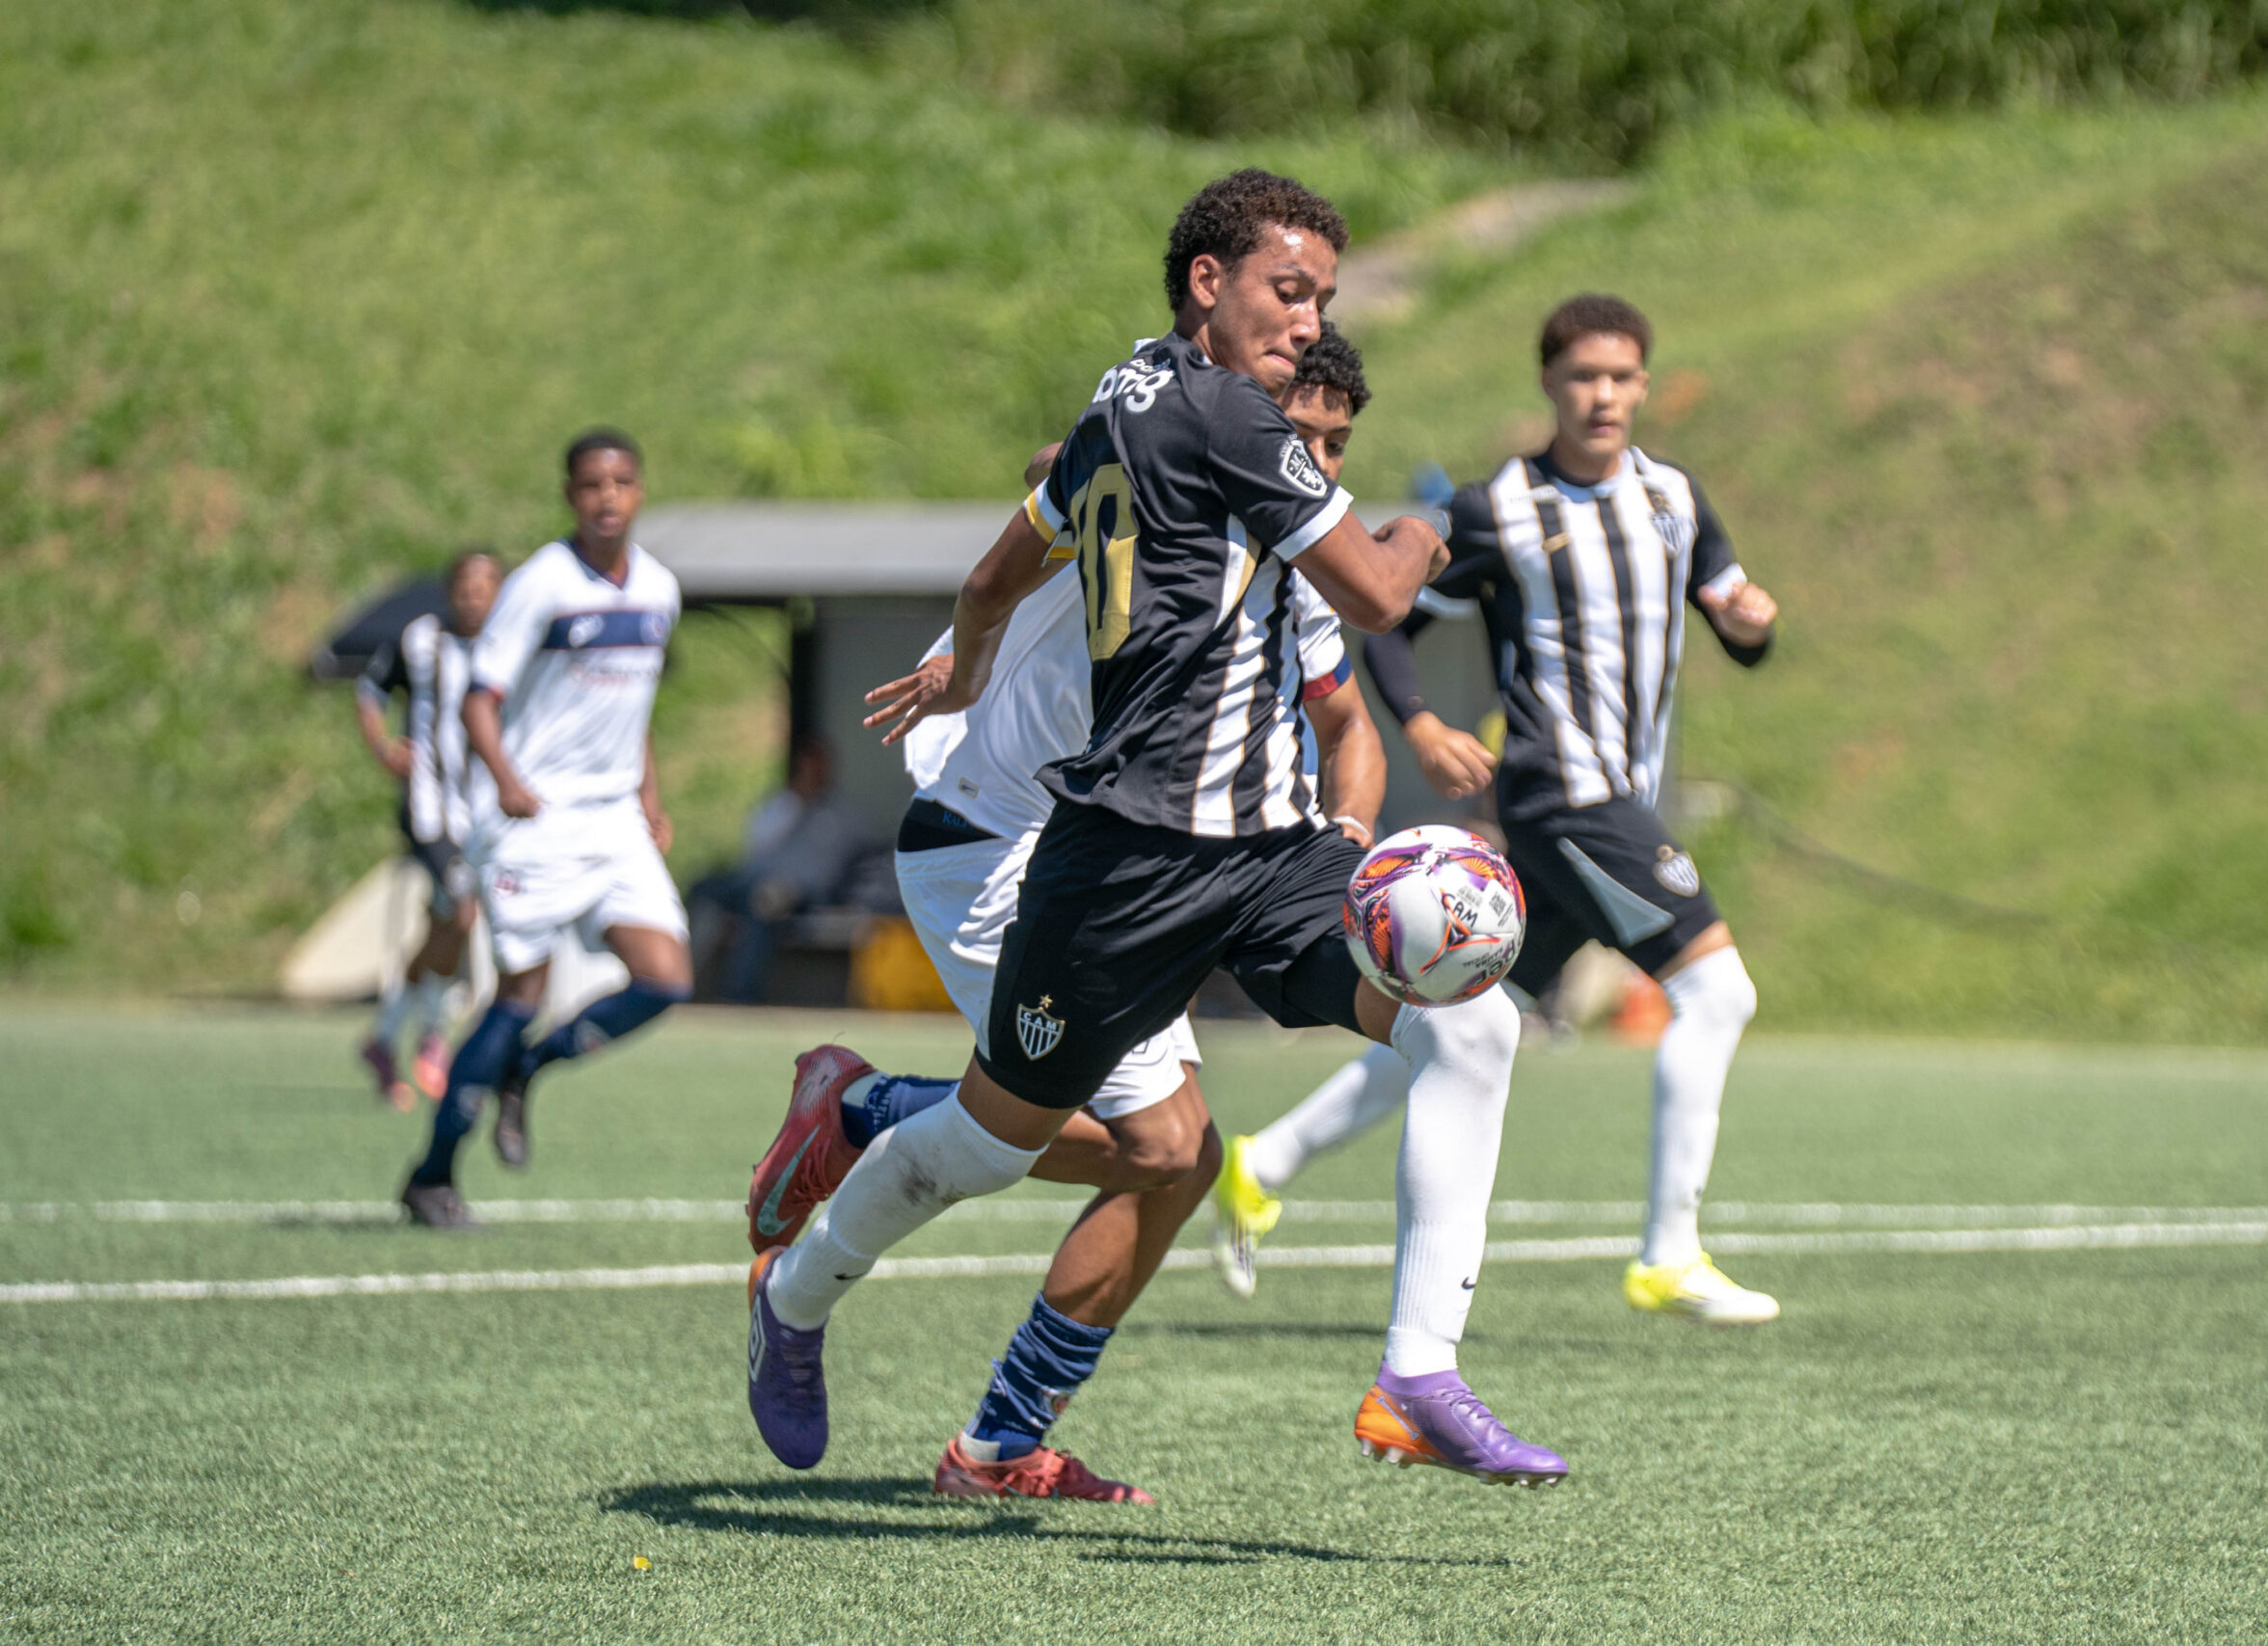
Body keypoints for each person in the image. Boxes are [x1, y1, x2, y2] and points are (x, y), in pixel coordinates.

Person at [742, 170, 1567, 1488]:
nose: (1307, 328)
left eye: (1324, 305)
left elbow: (1007, 560)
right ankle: (803, 1272)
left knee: (1464, 1021)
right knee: (1025, 1144)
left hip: (1249, 856)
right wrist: (1424, 529)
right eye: (1288, 295)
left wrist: (966, 646)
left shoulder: (1139, 404)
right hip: (1064, 850)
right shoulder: (1233, 429)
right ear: (1209, 285)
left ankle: (1413, 1373)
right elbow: (1371, 583)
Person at [750, 327, 1389, 1504]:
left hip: (1116, 871)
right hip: (994, 849)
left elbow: (1349, 726)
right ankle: (850, 1141)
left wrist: (1342, 846)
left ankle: (996, 1448)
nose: (1316, 468)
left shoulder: (1285, 564)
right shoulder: (1157, 477)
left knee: (1178, 1158)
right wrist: (970, 660)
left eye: (1336, 450)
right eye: (1298, 440)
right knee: (1137, 1149)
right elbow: (1058, 480)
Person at [1214, 294, 1785, 1326]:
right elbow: (1384, 617)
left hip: (1611, 796)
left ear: (1643, 385)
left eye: (1619, 377)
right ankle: (1668, 1253)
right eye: (1580, 376)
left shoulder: (1674, 498)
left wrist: (1750, 624)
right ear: (1549, 384)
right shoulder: (1497, 508)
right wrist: (1422, 723)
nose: (1600, 395)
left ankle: (1265, 1159)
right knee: (1719, 993)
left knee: (1474, 1018)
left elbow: (1734, 618)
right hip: (1564, 793)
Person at [399, 430, 693, 1228]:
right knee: (517, 996)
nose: (608, 496)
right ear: (570, 495)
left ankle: (529, 1068)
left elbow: (633, 712)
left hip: (615, 820)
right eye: (592, 484)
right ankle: (431, 1175)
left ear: (640, 491)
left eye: (622, 481)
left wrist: (650, 798)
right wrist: (508, 782)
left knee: (665, 977)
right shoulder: (541, 583)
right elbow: (478, 699)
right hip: (537, 823)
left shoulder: (660, 590)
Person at [352, 550, 502, 1108]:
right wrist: (383, 746)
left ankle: (384, 1039)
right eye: (466, 587)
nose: (474, 598)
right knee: (462, 911)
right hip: (429, 809)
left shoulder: (511, 642)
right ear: (450, 591)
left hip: (485, 811)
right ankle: (434, 1040)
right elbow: (369, 691)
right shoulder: (420, 641)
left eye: (486, 587)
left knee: (448, 920)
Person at [689, 736, 885, 1004]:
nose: (816, 774)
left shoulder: (843, 814)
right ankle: (680, 979)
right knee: (705, 889)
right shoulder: (779, 805)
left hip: (805, 895)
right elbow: (757, 845)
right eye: (810, 767)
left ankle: (738, 997)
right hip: (753, 884)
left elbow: (872, 849)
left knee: (764, 907)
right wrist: (797, 802)